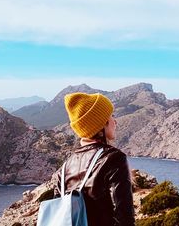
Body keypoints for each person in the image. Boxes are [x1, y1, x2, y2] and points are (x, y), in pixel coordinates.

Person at [53, 92, 135, 226]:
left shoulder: (64, 169)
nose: (115, 121)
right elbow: (124, 217)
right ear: (102, 123)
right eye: (111, 116)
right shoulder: (114, 158)